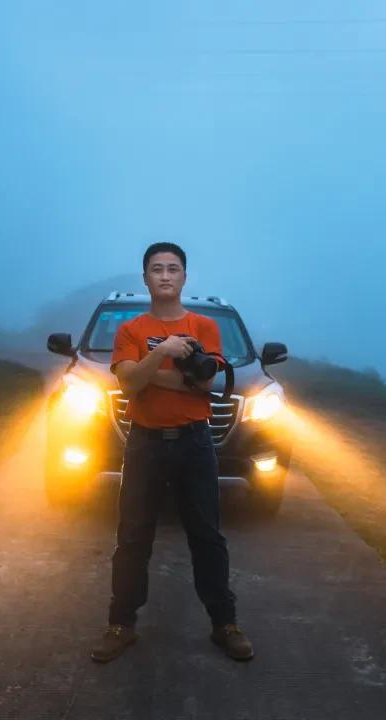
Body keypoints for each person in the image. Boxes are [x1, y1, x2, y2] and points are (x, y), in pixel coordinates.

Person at [89, 242, 254, 663]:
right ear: (144, 278)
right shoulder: (130, 330)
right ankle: (120, 624)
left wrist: (145, 371)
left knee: (207, 537)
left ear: (184, 276)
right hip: (144, 442)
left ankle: (225, 624)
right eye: (157, 269)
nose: (165, 275)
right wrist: (163, 353)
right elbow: (126, 386)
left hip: (194, 442)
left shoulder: (203, 327)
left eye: (173, 269)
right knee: (132, 537)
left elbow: (204, 384)